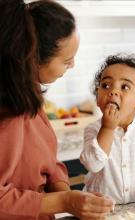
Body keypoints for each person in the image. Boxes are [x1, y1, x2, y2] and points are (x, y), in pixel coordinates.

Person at [0, 0, 114, 219]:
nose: (72, 66)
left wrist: (70, 196)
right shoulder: (9, 114)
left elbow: (46, 162)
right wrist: (65, 201)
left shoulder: (27, 94)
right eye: (66, 60)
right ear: (33, 59)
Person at [80, 54, 135, 215]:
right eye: (105, 85)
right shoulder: (93, 129)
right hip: (100, 210)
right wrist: (107, 129)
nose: (113, 91)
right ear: (98, 99)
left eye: (124, 87)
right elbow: (93, 164)